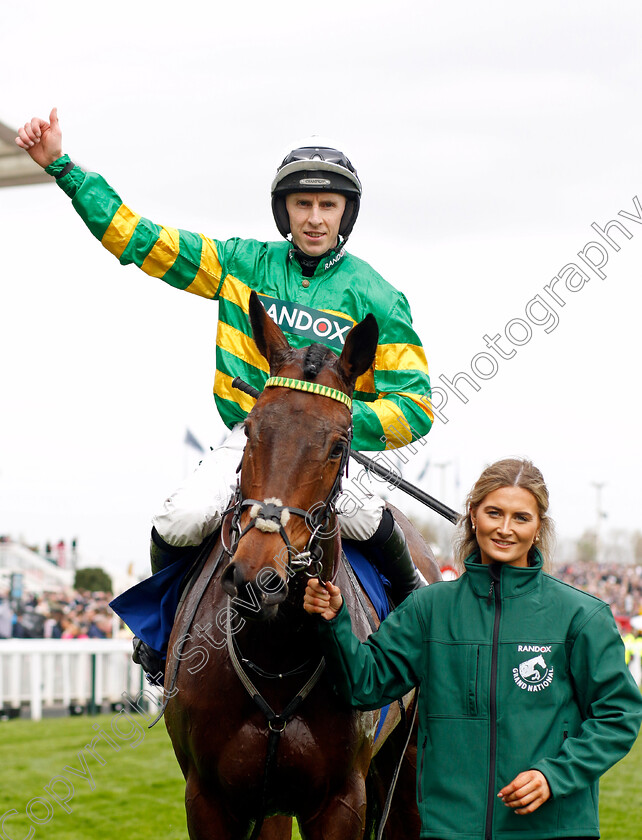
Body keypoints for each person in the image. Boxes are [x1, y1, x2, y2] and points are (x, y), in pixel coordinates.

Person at [16, 110, 433, 666]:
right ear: (283, 210)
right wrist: (63, 168)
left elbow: (416, 405)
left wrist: (337, 427)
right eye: (302, 204)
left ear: (345, 213)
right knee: (181, 519)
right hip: (251, 440)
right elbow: (143, 241)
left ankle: (422, 641)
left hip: (326, 452)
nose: (314, 218)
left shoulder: (379, 297)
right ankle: (160, 636)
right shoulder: (241, 264)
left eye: (327, 206)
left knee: (373, 521)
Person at [304, 458, 642, 840]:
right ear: (473, 515)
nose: (505, 528)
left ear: (538, 527)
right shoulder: (428, 609)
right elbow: (363, 684)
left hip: (554, 828)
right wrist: (334, 621)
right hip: (450, 829)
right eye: (494, 513)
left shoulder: (582, 615)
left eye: (521, 518)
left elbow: (619, 714)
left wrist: (554, 777)